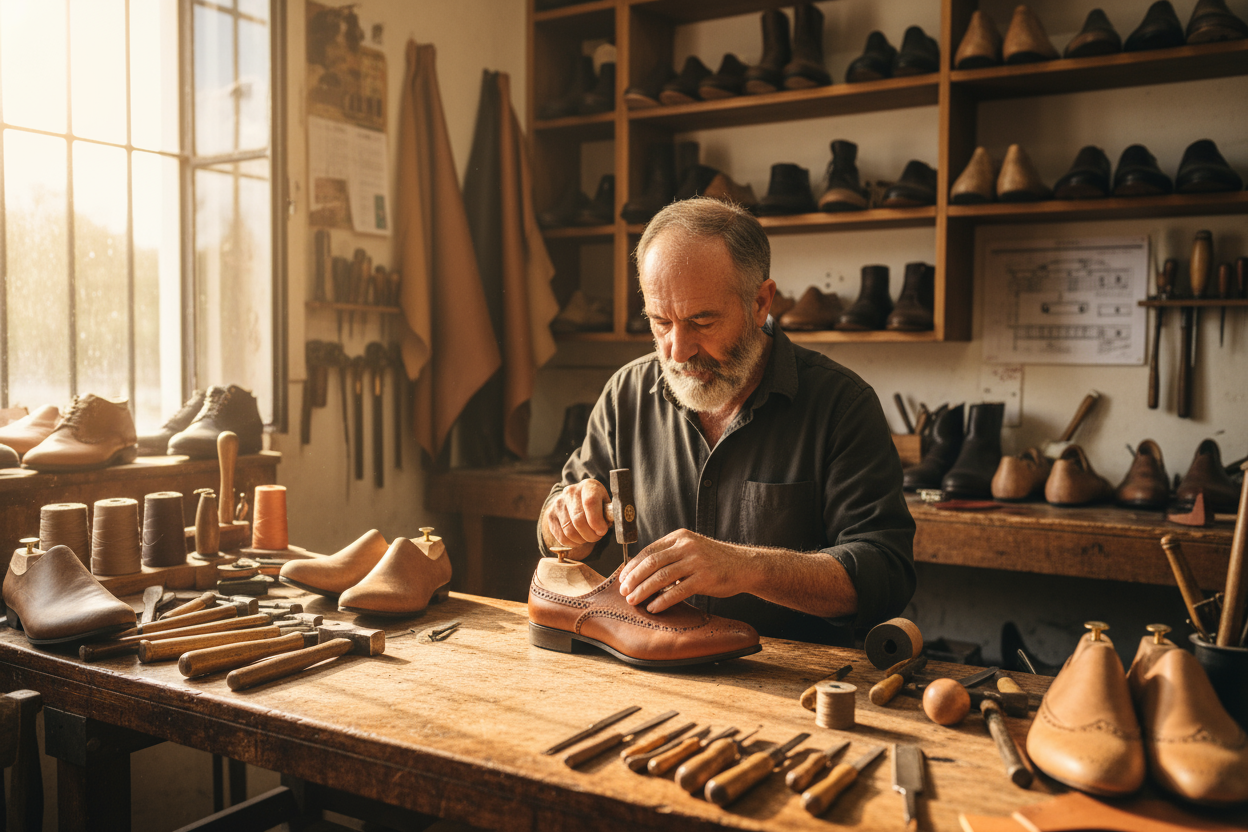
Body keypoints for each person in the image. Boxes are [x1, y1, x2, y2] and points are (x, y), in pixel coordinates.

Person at [537, 197, 915, 645]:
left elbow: (884, 574)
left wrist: (748, 568)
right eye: (661, 322)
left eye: (701, 321)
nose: (677, 351)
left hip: (789, 681)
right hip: (650, 665)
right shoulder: (626, 394)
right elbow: (559, 534)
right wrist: (564, 523)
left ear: (760, 302)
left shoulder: (842, 405)